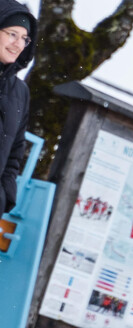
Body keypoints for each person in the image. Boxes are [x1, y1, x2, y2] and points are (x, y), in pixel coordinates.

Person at [0, 1, 35, 215]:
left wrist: (4, 197)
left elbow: (15, 153)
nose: (18, 44)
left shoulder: (20, 92)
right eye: (12, 34)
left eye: (24, 38)